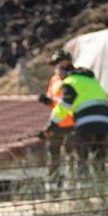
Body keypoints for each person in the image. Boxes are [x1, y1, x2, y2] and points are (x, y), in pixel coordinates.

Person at [46, 64, 108, 179]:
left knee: (81, 155)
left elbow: (63, 106)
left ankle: (82, 185)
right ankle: (102, 186)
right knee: (99, 156)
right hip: (105, 121)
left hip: (86, 121)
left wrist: (51, 125)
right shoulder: (92, 81)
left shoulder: (70, 82)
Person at [39, 49, 75, 186]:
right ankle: (52, 187)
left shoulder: (75, 78)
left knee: (72, 157)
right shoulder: (54, 80)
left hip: (73, 124)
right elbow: (55, 103)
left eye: (59, 63)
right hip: (57, 124)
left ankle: (71, 186)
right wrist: (47, 101)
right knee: (53, 156)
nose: (57, 67)